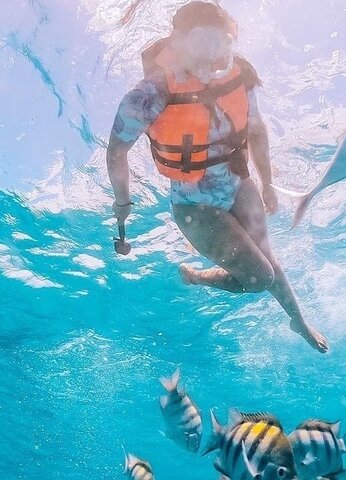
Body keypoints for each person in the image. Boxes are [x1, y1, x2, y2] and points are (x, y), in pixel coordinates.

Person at [106, 1, 328, 353]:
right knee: (259, 277)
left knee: (267, 257)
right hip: (195, 203)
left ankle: (296, 318)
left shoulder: (240, 76)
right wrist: (122, 201)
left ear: (230, 41)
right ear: (178, 41)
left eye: (220, 43)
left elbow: (256, 131)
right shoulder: (149, 93)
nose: (210, 58)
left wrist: (267, 182)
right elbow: (117, 150)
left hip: (239, 183)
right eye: (200, 43)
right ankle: (196, 277)